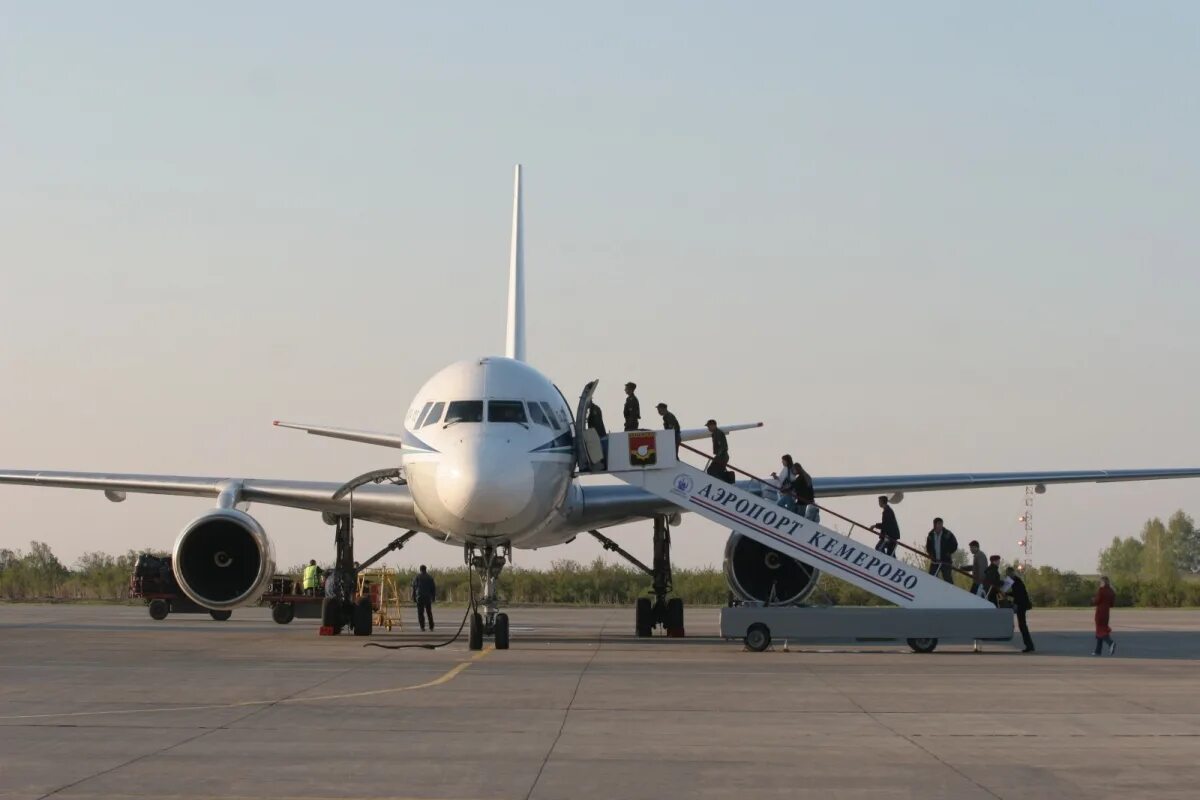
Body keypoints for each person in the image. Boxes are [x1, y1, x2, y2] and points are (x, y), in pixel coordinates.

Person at [1003, 566, 1035, 652]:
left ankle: (1029, 646)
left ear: (1011, 573)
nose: (1008, 576)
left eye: (1008, 574)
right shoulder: (1016, 581)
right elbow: (1016, 593)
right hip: (1021, 605)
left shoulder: (1016, 582)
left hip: (1021, 605)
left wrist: (1013, 601)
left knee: (1022, 626)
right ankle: (1029, 645)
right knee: (1022, 626)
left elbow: (1018, 595)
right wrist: (1008, 594)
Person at [925, 518, 958, 583]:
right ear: (935, 525)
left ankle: (950, 592)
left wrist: (948, 553)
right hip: (934, 561)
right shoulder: (931, 534)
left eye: (941, 524)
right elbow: (928, 546)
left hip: (945, 561)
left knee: (948, 580)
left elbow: (955, 544)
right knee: (930, 578)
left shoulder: (948, 534)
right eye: (939, 524)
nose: (940, 526)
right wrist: (931, 554)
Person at [1092, 576, 1117, 656]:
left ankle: (1110, 643)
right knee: (1101, 630)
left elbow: (1097, 601)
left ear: (1103, 582)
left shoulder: (1101, 590)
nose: (1100, 584)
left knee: (1100, 630)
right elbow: (1112, 604)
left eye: (1100, 582)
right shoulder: (1111, 591)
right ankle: (1097, 651)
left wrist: (1093, 600)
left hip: (1100, 612)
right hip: (1106, 613)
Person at [411, 565, 437, 632]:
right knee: (429, 612)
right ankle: (431, 627)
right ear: (426, 569)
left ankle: (422, 627)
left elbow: (414, 587)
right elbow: (433, 588)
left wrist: (413, 597)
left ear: (420, 570)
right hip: (427, 597)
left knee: (420, 613)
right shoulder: (430, 577)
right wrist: (433, 597)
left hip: (420, 597)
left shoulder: (417, 577)